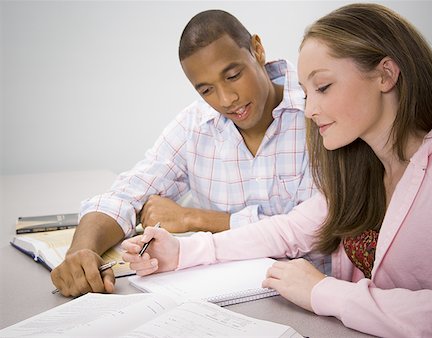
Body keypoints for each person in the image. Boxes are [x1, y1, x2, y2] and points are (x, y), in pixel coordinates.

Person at [122, 3, 432, 337]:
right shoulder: (363, 166)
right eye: (306, 94)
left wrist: (324, 292)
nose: (309, 111)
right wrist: (182, 252)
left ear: (385, 75)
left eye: (323, 88)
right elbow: (288, 231)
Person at [51, 10, 317, 297]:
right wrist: (81, 251)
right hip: (224, 298)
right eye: (206, 90)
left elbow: (313, 230)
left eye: (233, 75)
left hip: (307, 299)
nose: (226, 100)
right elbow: (125, 196)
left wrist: (195, 218)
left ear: (258, 49)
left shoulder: (317, 112)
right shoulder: (195, 125)